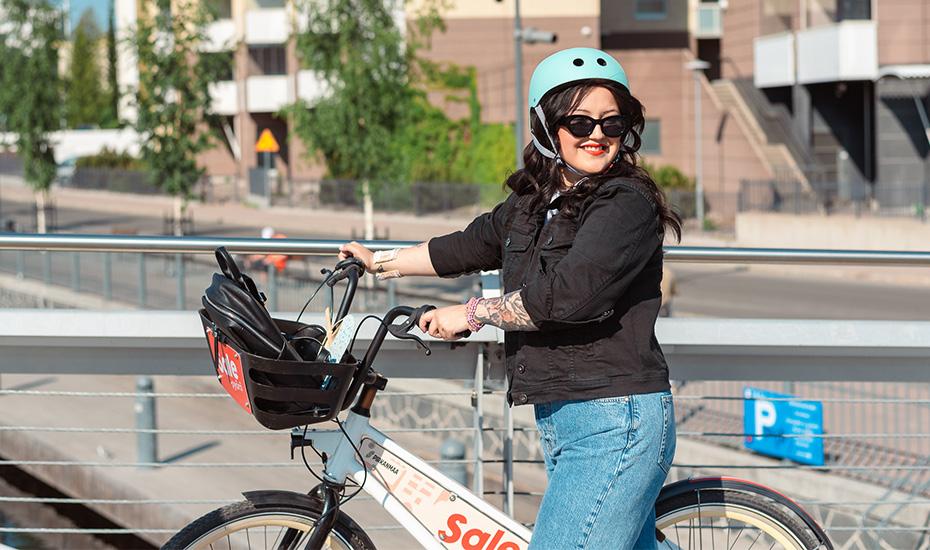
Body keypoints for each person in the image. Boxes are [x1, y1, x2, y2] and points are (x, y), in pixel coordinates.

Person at [339, 47, 681, 549]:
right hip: (567, 417)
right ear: (546, 125)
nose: (597, 136)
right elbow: (464, 246)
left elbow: (565, 297)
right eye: (580, 121)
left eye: (612, 123)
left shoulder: (625, 202)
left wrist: (472, 313)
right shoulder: (531, 204)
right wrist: (379, 262)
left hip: (615, 420)